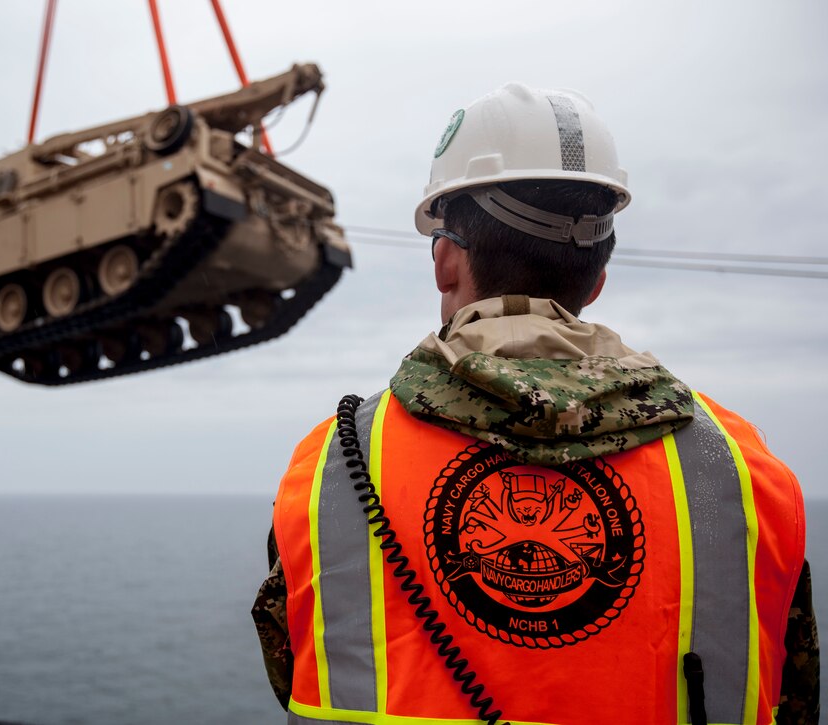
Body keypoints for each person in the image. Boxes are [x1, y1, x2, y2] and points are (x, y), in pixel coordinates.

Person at [252, 83, 818, 724]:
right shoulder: (746, 473)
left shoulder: (327, 472)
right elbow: (794, 690)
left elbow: (294, 660)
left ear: (444, 261)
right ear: (598, 279)